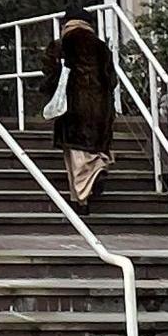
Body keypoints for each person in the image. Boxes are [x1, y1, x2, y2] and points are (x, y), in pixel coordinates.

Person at [46, 13, 118, 209]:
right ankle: (96, 172)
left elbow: (50, 76)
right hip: (100, 106)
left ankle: (82, 197)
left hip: (73, 107)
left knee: (76, 154)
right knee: (93, 147)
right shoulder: (101, 46)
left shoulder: (61, 45)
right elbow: (112, 80)